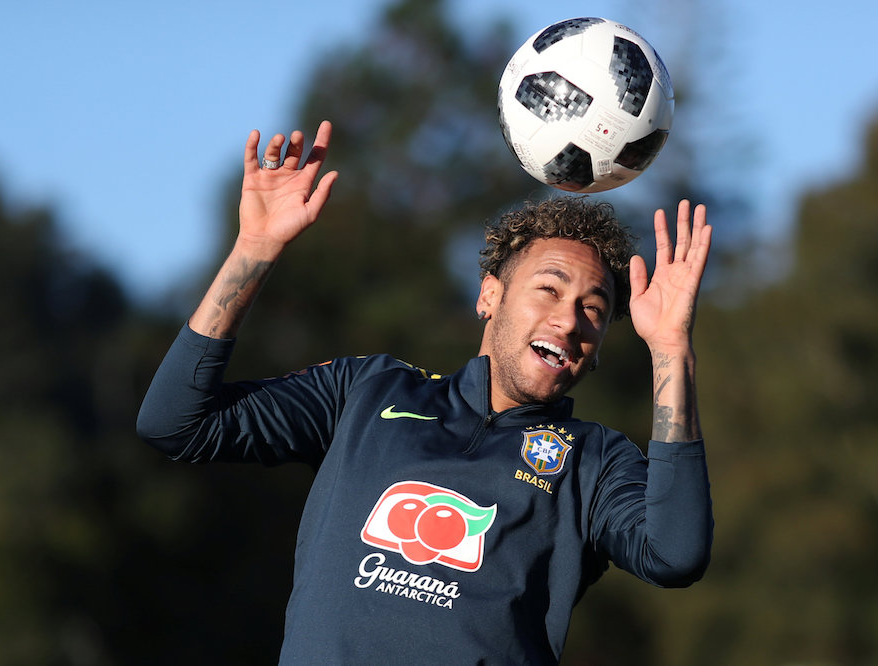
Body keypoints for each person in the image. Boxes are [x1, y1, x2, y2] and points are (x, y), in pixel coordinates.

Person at [136, 120, 714, 664]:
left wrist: (670, 350)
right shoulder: (365, 391)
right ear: (489, 296)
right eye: (549, 289)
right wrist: (254, 249)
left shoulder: (594, 460)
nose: (569, 321)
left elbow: (675, 554)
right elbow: (175, 423)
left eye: (594, 309)